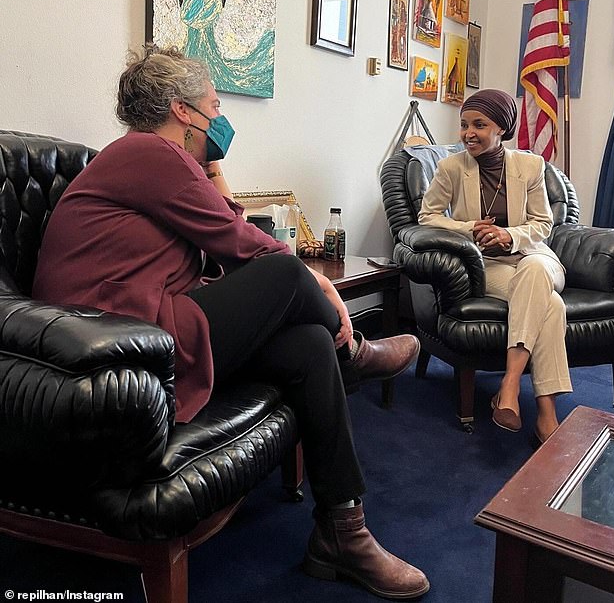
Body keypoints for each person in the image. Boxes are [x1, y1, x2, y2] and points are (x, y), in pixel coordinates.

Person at [32, 45, 429, 600]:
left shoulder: (163, 162)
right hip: (120, 342)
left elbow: (222, 234)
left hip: (154, 322)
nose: (220, 117)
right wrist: (317, 285)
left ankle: (343, 532)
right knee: (291, 275)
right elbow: (246, 247)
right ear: (183, 111)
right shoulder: (147, 153)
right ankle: (357, 354)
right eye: (214, 105)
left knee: (311, 343)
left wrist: (212, 169)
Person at [418, 88, 572, 444]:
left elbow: (543, 224)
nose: (468, 133)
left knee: (534, 271)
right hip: (488, 266)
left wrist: (508, 235)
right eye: (464, 125)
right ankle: (547, 414)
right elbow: (427, 217)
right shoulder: (451, 168)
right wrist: (470, 228)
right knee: (551, 305)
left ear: (501, 127)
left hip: (534, 257)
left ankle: (510, 383)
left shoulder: (531, 166)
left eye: (479, 124)